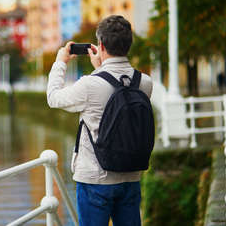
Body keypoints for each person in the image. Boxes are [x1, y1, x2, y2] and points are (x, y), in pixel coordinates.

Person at [46, 15, 153, 226]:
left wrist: (60, 62)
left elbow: (53, 97)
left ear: (101, 45)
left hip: (95, 179)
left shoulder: (89, 84)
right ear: (128, 45)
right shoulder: (145, 83)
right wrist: (100, 68)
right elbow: (116, 89)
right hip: (130, 176)